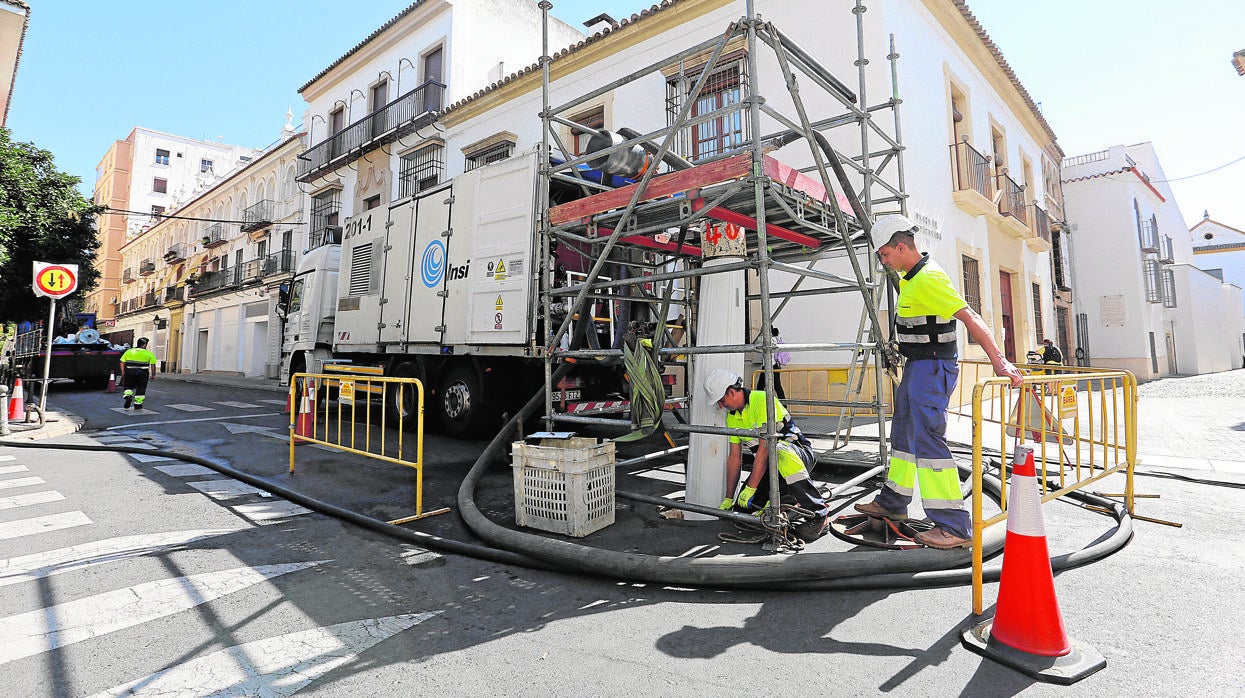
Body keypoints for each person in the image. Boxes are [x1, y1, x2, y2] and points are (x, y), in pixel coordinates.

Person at [854, 215, 1024, 549]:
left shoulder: (928, 278)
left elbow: (970, 317)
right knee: (903, 434)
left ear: (901, 247)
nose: (883, 262)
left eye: (885, 255)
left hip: (931, 369)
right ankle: (893, 502)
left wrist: (999, 361)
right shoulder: (912, 277)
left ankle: (953, 527)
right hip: (918, 366)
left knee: (930, 442)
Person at [704, 368, 831, 543]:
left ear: (731, 391)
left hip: (798, 456)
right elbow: (734, 458)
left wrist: (751, 488)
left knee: (778, 450)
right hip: (770, 468)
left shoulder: (762, 400)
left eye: (721, 400)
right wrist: (729, 497)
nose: (720, 405)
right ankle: (791, 502)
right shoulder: (732, 418)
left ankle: (819, 514)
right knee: (743, 514)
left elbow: (765, 449)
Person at [119, 337, 158, 409]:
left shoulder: (129, 351)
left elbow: (122, 362)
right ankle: (138, 404)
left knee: (128, 386)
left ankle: (128, 396)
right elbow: (153, 365)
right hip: (143, 373)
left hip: (130, 371)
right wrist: (153, 375)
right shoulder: (149, 353)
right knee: (141, 388)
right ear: (144, 345)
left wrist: (123, 372)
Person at [754, 326, 790, 399]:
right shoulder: (775, 339)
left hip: (769, 365)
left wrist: (760, 335)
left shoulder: (767, 340)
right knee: (777, 385)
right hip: (775, 365)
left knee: (760, 386)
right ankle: (784, 404)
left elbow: (756, 345)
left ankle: (761, 402)